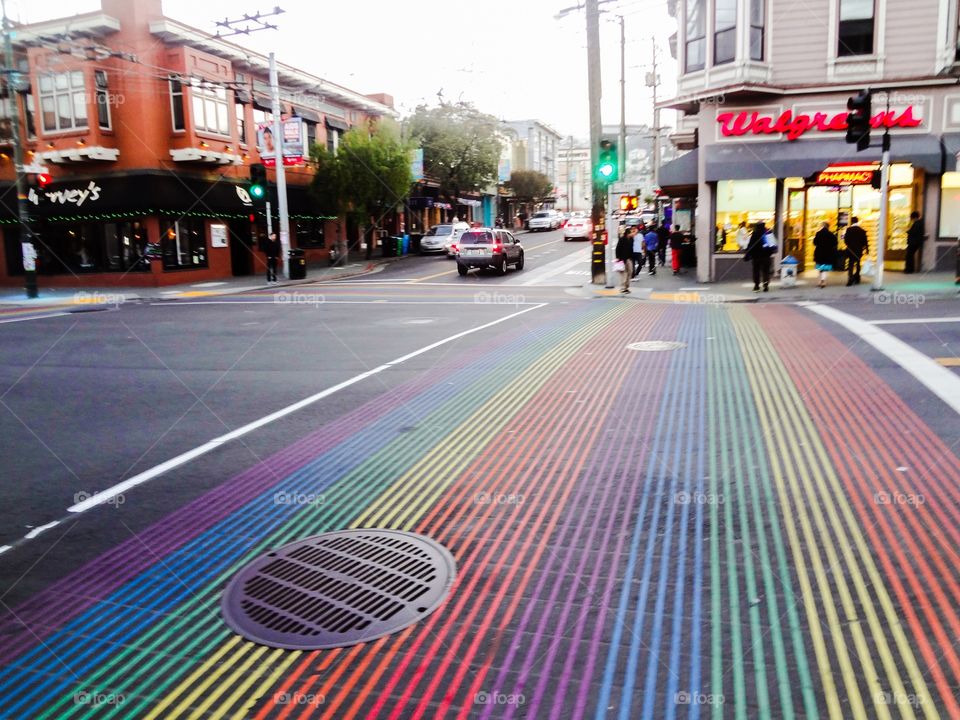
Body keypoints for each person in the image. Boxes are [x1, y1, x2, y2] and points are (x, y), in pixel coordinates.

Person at [743, 221, 774, 292]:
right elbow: (772, 245)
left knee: (756, 271)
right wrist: (769, 253)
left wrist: (747, 254)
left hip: (756, 257)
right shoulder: (768, 232)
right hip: (766, 256)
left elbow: (750, 245)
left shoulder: (755, 234)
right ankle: (766, 285)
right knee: (766, 271)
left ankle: (756, 286)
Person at [843, 217, 868, 286]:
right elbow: (865, 241)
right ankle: (857, 278)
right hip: (859, 250)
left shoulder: (849, 230)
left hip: (851, 250)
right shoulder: (862, 230)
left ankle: (850, 279)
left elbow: (845, 240)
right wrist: (866, 249)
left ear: (851, 222)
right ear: (857, 221)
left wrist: (849, 245)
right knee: (858, 263)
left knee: (850, 264)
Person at [813, 222, 838, 289]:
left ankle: (820, 281)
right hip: (828, 253)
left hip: (819, 253)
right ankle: (823, 281)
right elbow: (835, 243)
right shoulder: (831, 234)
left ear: (823, 226)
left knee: (820, 268)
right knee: (825, 268)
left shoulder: (818, 233)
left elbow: (815, 243)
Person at [615, 226, 634, 293]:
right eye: (631, 232)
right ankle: (623, 287)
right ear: (628, 233)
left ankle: (626, 287)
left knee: (630, 272)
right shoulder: (622, 239)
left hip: (629, 258)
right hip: (622, 259)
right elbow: (617, 249)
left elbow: (631, 249)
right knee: (624, 273)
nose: (633, 234)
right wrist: (618, 258)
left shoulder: (631, 239)